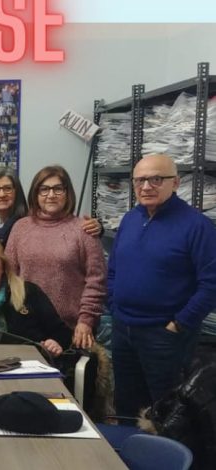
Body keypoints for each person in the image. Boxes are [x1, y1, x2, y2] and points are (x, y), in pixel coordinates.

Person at [109, 154, 216, 418]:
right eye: (140, 180)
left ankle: (165, 448)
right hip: (123, 330)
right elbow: (113, 269)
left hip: (164, 335)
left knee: (167, 412)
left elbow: (211, 283)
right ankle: (127, 446)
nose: (146, 187)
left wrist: (180, 323)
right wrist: (113, 305)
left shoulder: (196, 225)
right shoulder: (130, 219)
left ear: (175, 183)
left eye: (156, 179)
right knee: (126, 405)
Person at [5, 165, 106, 350]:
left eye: (58, 188)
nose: (51, 195)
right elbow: (9, 275)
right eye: (44, 189)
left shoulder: (84, 229)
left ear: (67, 193)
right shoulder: (20, 227)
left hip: (72, 329)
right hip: (28, 327)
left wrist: (86, 320)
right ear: (35, 194)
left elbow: (96, 281)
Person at [0, 167, 101, 247]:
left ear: (17, 191)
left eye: (7, 188)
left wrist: (97, 227)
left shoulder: (31, 221)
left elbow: (61, 227)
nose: (1, 194)